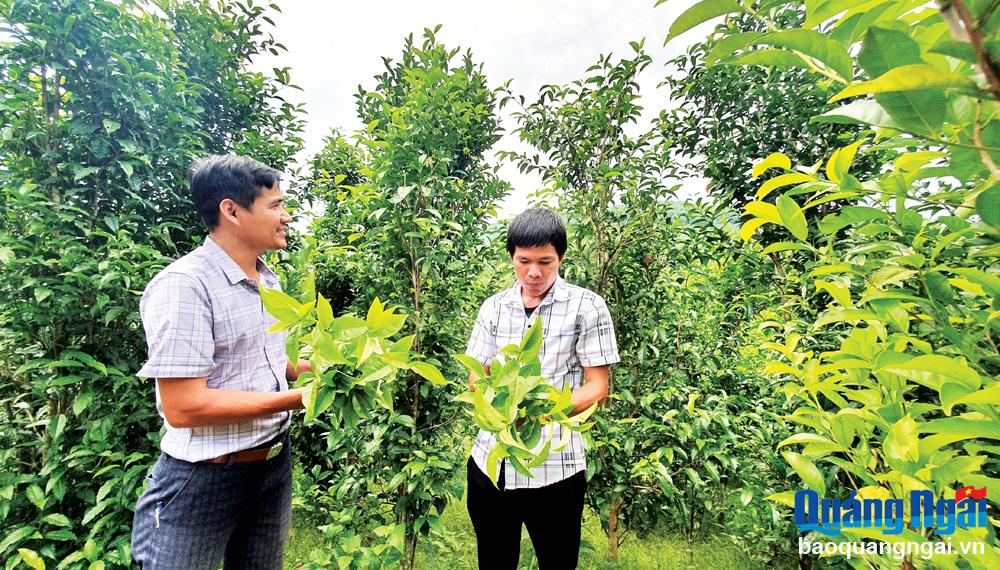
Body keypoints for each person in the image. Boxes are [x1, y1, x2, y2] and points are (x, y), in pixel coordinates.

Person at [131, 155, 309, 569]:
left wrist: (315, 371)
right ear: (231, 211)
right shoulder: (186, 285)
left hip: (271, 466)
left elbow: (267, 360)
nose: (287, 216)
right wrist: (297, 399)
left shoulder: (268, 281)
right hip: (204, 479)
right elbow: (184, 407)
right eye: (276, 206)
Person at [464, 207, 620, 569]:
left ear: (561, 257)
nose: (533, 273)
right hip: (493, 464)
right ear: (511, 257)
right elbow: (477, 374)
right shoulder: (494, 308)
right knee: (494, 561)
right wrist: (500, 408)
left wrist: (543, 413)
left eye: (545, 262)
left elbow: (597, 386)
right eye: (524, 261)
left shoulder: (587, 307)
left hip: (556, 468)